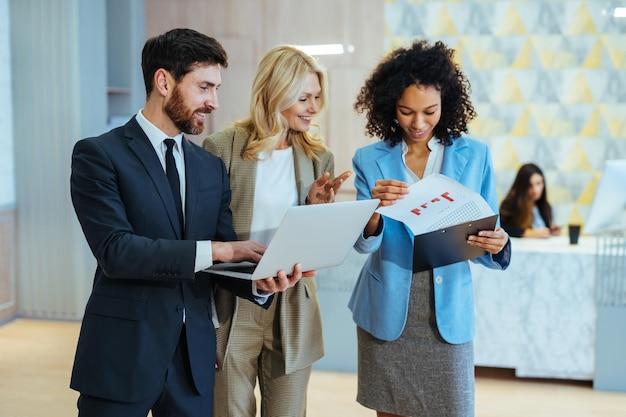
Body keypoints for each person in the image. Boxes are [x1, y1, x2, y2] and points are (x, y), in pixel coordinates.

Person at [69, 28, 308, 417]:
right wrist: (219, 250)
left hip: (193, 362)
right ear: (164, 81)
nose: (213, 102)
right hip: (122, 355)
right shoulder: (99, 155)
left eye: (216, 88)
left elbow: (222, 259)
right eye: (204, 87)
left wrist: (258, 281)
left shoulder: (209, 168)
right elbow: (116, 250)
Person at [349, 39, 511, 417]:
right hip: (387, 309)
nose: (418, 124)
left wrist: (497, 243)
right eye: (406, 111)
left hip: (448, 309)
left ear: (447, 104)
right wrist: (373, 211)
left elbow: (490, 233)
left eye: (429, 111)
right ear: (390, 105)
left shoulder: (476, 155)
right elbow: (364, 245)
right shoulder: (368, 160)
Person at [202, 45, 351, 417]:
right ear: (274, 93)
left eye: (317, 97)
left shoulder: (320, 158)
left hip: (293, 301)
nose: (313, 107)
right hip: (233, 301)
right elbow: (206, 235)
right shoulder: (222, 148)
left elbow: (311, 240)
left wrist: (316, 210)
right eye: (303, 97)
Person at [499, 163, 561, 238]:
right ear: (521, 187)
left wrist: (550, 231)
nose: (535, 190)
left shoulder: (545, 206)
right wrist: (527, 233)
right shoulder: (509, 205)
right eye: (529, 185)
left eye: (538, 183)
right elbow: (502, 229)